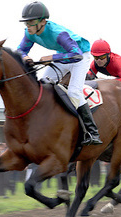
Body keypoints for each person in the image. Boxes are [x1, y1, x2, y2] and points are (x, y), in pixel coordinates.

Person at [17, 1, 102, 145]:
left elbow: (77, 55)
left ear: (43, 22)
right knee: (43, 86)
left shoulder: (57, 33)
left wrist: (51, 58)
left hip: (80, 56)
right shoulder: (29, 33)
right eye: (26, 23)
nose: (28, 26)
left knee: (74, 92)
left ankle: (93, 132)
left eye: (31, 22)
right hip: (64, 55)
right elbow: (20, 50)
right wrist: (26, 57)